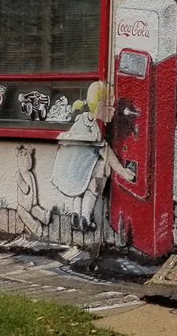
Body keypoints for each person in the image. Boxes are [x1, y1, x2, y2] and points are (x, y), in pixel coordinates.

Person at [51, 81, 135, 232]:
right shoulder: (94, 129)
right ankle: (85, 217)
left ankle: (75, 213)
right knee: (98, 176)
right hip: (82, 167)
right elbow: (106, 151)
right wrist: (122, 171)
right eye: (110, 106)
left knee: (78, 189)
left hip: (72, 168)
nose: (114, 110)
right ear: (100, 106)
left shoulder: (82, 118)